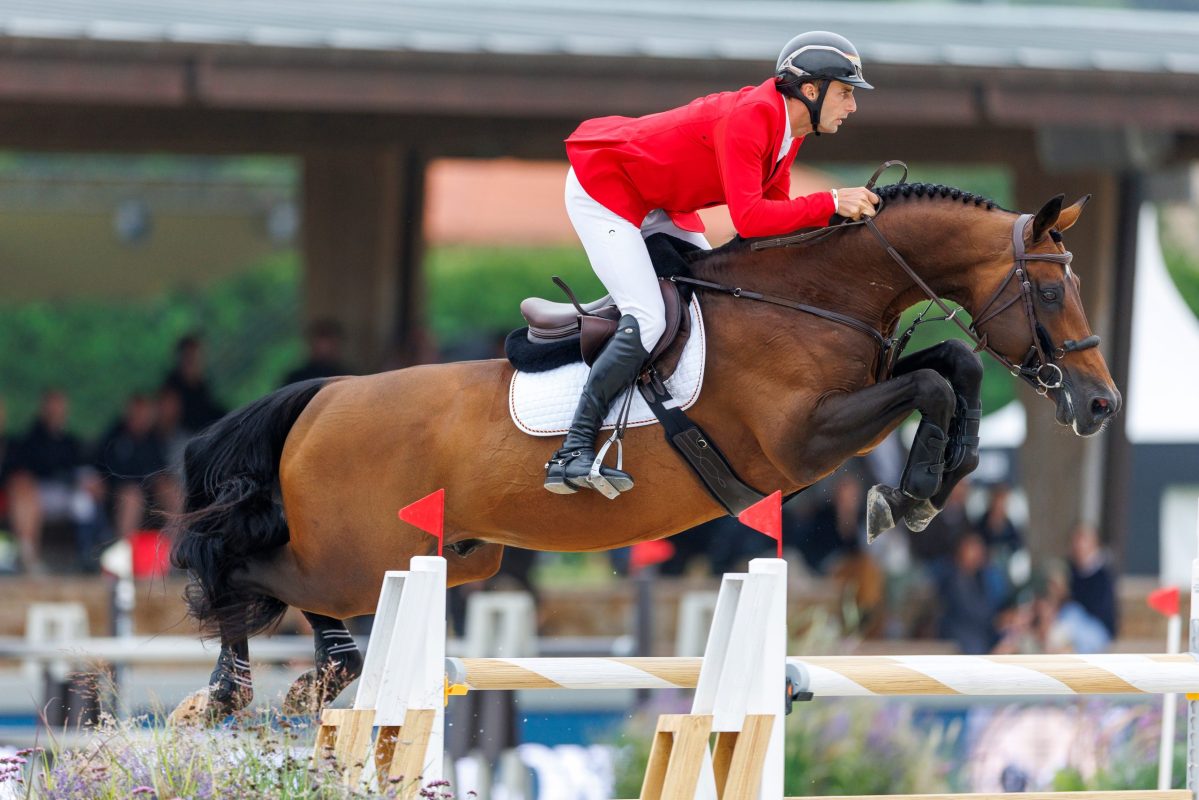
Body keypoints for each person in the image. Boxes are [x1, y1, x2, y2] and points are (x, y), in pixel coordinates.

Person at [544, 31, 879, 496]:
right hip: (605, 189)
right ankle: (571, 451)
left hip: (662, 202)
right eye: (846, 93)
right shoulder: (753, 118)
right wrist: (831, 201)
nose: (853, 106)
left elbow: (772, 228)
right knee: (648, 317)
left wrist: (837, 233)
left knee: (717, 301)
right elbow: (752, 219)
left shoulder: (788, 132)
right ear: (810, 90)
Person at [4, 389, 104, 573]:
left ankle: (88, 555)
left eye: (59, 406)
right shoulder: (31, 439)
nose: (55, 411)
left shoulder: (71, 442)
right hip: (39, 493)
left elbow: (82, 471)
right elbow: (23, 472)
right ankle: (29, 557)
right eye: (51, 406)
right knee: (24, 491)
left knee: (85, 498)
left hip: (67, 492)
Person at [161, 334, 225, 435]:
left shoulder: (202, 386)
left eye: (197, 357)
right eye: (190, 357)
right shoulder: (172, 386)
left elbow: (209, 411)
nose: (194, 361)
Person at [1067, 522, 1118, 640]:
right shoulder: (1070, 569)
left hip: (1097, 629)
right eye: (1076, 540)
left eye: (1083, 540)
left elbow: (1099, 609)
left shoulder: (1103, 575)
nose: (1079, 545)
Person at [281, 318, 352, 386]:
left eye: (330, 342)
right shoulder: (296, 379)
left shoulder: (348, 378)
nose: (325, 349)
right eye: (320, 342)